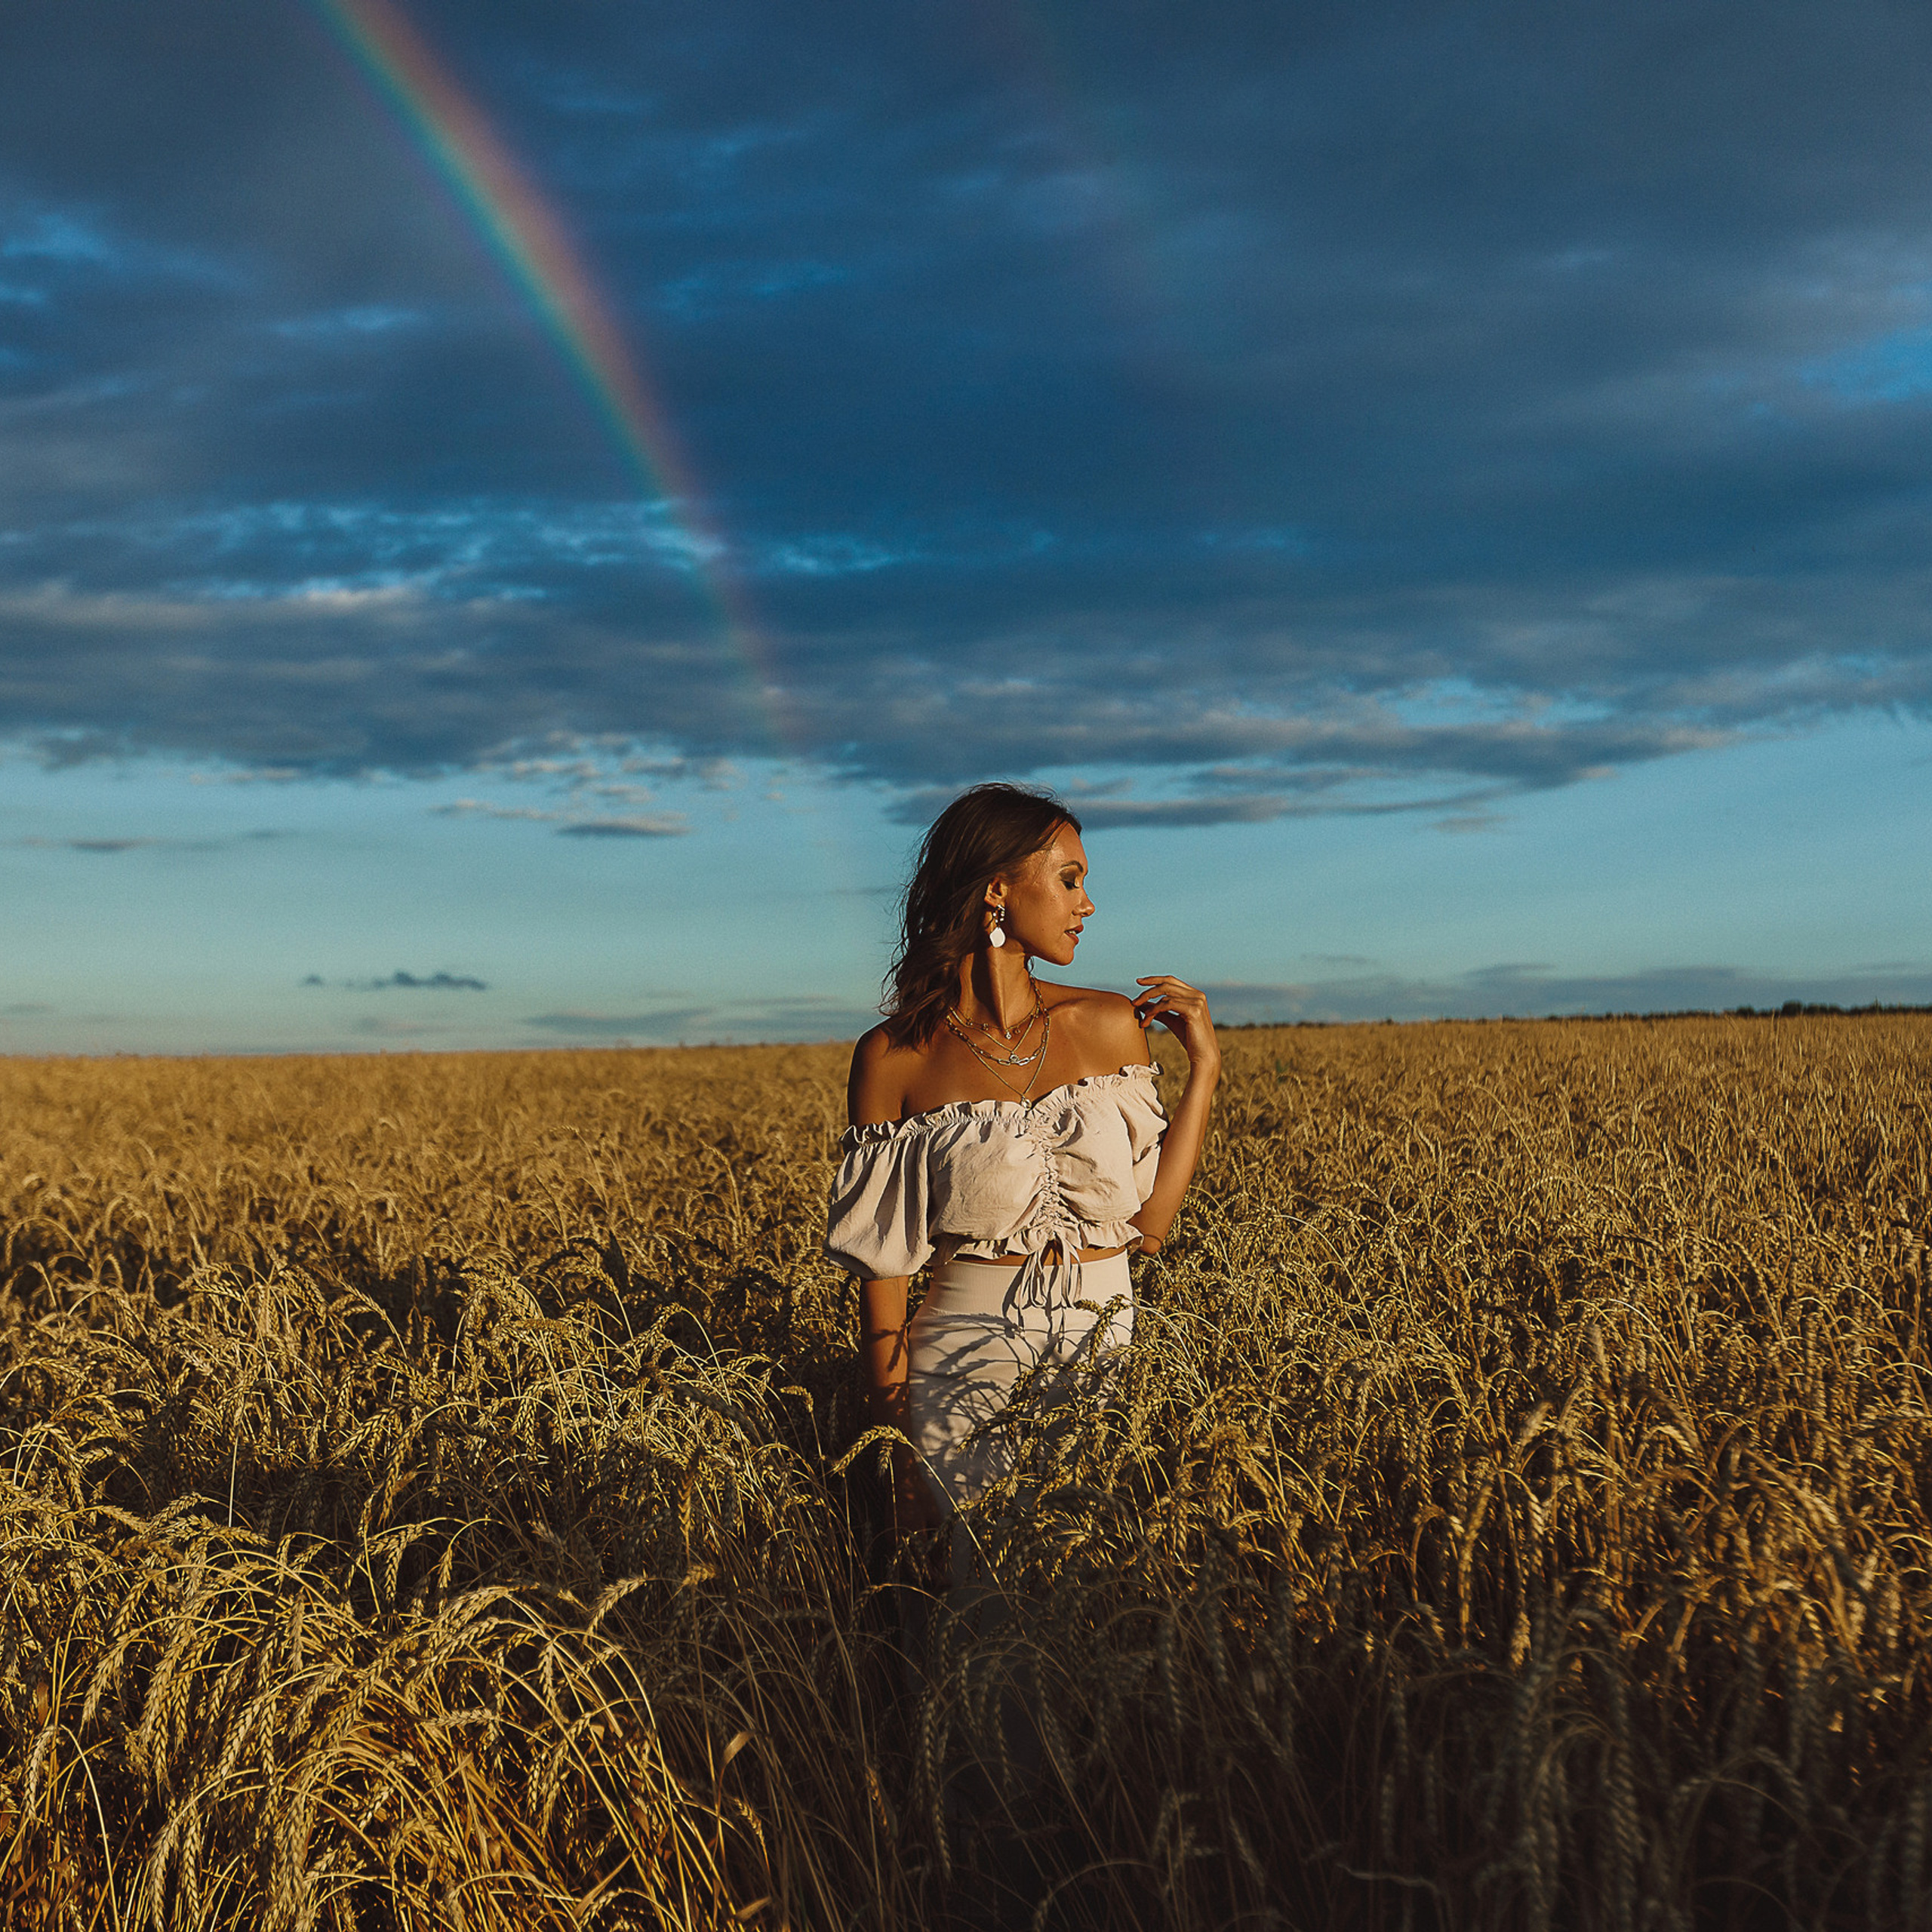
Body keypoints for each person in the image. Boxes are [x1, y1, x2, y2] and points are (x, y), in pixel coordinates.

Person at [825, 782, 1220, 1549]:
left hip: (1102, 1362)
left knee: (1103, 1590)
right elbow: (884, 1284)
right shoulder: (894, 1058)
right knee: (978, 1602)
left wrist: (1203, 1071)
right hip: (961, 1372)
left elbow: (1149, 1229)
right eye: (1069, 879)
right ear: (998, 890)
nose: (1087, 904)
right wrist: (900, 1462)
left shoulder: (1106, 1024)